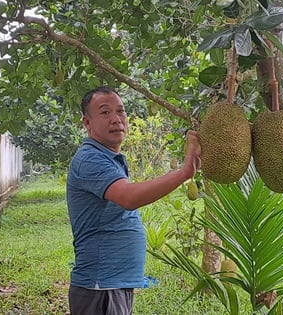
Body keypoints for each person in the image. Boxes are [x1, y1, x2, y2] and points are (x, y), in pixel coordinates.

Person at [66, 86, 201, 315]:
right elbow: (129, 198)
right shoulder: (90, 159)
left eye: (121, 111)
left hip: (113, 283)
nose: (116, 119)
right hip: (100, 285)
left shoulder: (109, 158)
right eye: (105, 112)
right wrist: (184, 172)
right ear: (87, 123)